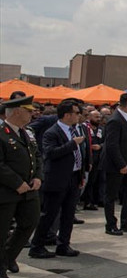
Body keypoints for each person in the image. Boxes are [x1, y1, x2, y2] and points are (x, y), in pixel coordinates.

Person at [29, 100, 85, 259]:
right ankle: (37, 245)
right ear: (67, 115)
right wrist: (72, 144)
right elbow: (50, 153)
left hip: (73, 177)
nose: (78, 115)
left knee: (68, 214)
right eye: (76, 113)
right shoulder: (52, 132)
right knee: (49, 214)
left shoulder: (74, 130)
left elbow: (79, 155)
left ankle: (63, 244)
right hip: (57, 179)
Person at [0, 96, 43, 278]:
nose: (32, 113)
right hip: (7, 191)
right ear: (17, 111)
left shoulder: (27, 132)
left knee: (30, 222)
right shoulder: (2, 132)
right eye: (28, 110)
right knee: (2, 231)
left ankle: (8, 257)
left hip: (29, 189)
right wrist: (17, 183)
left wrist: (38, 177)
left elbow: (37, 156)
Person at [101, 93, 127, 235]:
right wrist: (121, 164)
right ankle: (111, 224)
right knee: (111, 195)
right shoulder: (115, 120)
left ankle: (126, 221)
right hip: (117, 165)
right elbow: (112, 145)